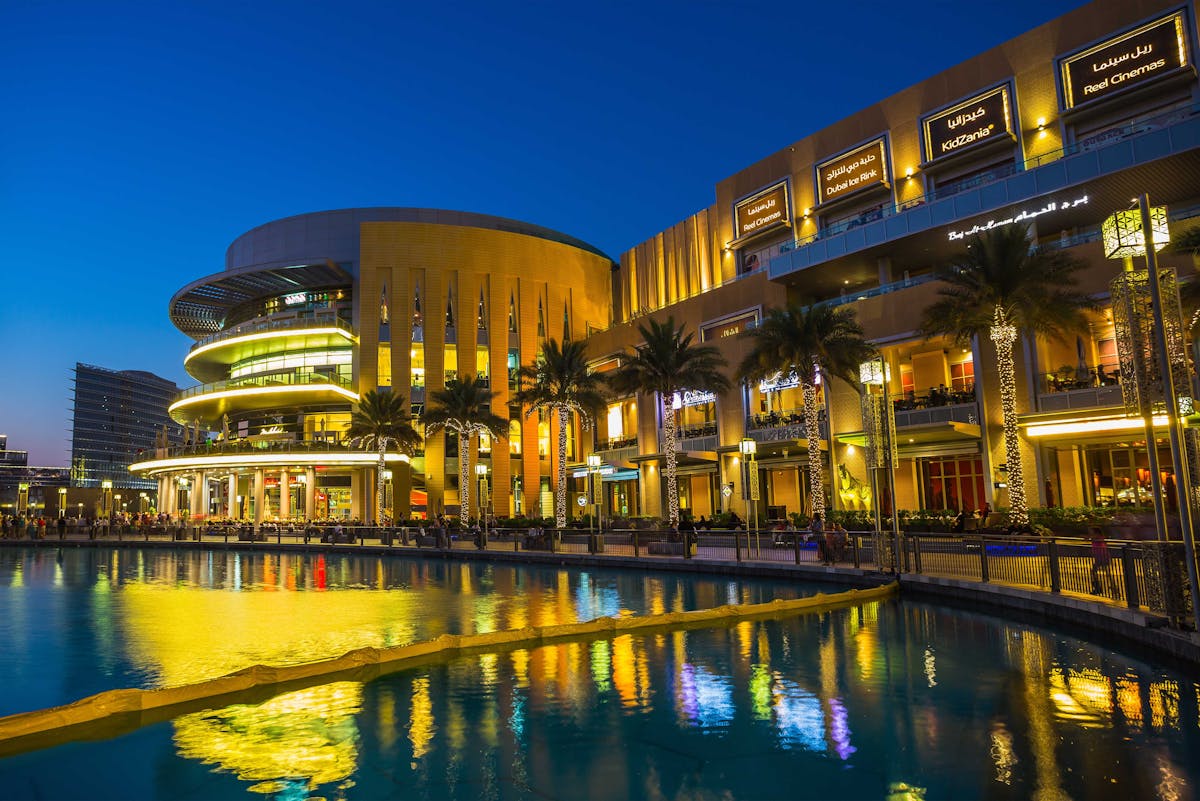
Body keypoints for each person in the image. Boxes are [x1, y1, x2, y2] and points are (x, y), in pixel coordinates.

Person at [1090, 525, 1113, 596]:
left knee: (1094, 571)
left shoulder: (1097, 537)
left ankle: (1098, 587)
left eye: (1091, 531)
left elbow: (1092, 538)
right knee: (1107, 572)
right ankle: (1113, 587)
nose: (1090, 532)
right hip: (1102, 556)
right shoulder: (1099, 537)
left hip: (1101, 556)